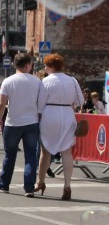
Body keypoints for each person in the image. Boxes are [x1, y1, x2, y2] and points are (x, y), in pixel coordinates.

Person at [35, 54, 85, 200]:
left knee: (45, 151)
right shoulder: (72, 80)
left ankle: (40, 182)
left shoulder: (46, 81)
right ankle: (67, 186)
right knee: (67, 152)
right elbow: (80, 101)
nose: (45, 68)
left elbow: (40, 104)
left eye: (46, 66)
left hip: (49, 114)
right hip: (68, 114)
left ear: (51, 67)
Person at [0, 52, 43, 196]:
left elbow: (1, 105)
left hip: (13, 122)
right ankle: (29, 187)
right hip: (32, 122)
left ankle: (4, 185)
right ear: (28, 65)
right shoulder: (37, 82)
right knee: (31, 155)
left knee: (10, 155)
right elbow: (41, 103)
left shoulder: (8, 81)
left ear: (15, 64)